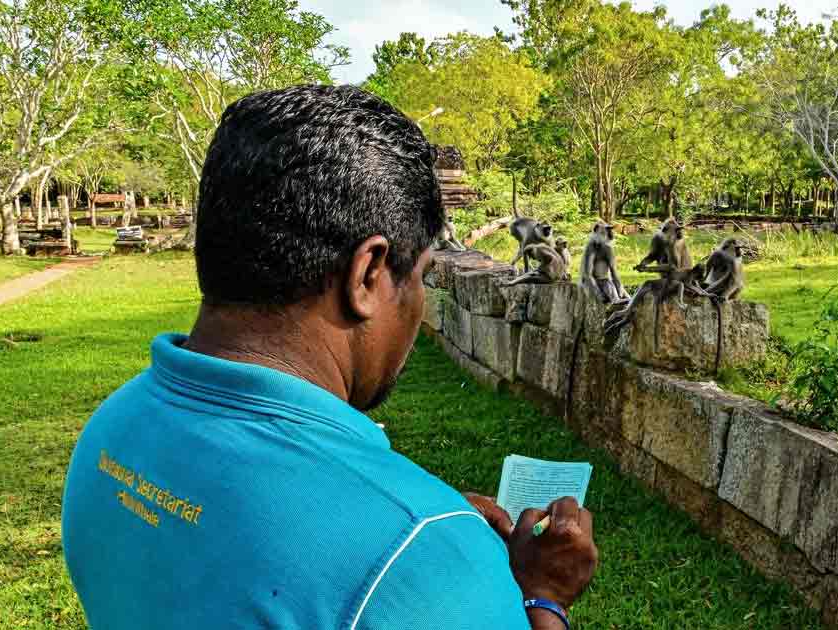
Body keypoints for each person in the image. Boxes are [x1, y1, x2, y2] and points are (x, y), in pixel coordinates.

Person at [60, 84, 597, 629]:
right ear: (367, 274)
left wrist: (397, 522)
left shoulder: (110, 431)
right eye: (422, 278)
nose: (419, 306)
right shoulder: (429, 570)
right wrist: (541, 596)